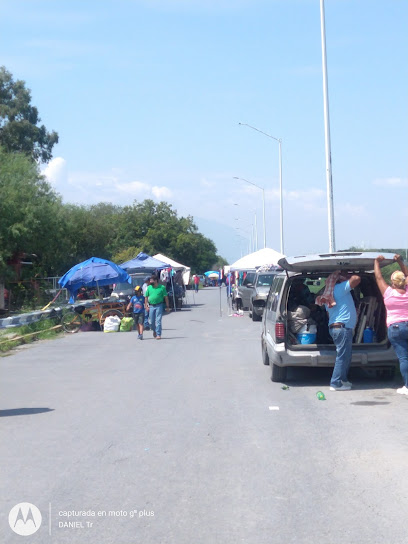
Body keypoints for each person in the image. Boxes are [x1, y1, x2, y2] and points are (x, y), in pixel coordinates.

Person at [317, 270, 361, 391]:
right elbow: (357, 279)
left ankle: (343, 380)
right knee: (342, 356)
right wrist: (346, 277)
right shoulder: (340, 288)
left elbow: (328, 314)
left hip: (337, 328)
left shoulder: (328, 295)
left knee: (346, 355)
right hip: (342, 328)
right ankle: (335, 383)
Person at [374, 254, 408, 394]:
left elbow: (378, 277)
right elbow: (406, 273)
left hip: (395, 328)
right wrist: (400, 261)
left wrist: (376, 262)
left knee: (404, 358)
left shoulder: (388, 293)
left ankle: (407, 386)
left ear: (392, 282)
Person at [144, 274, 170, 340]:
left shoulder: (162, 287)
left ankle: (158, 334)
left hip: (159, 305)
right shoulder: (149, 287)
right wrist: (146, 306)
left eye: (151, 280)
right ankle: (154, 330)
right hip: (151, 306)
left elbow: (166, 297)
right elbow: (146, 297)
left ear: (156, 281)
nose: (150, 282)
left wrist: (167, 306)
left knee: (158, 320)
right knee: (152, 321)